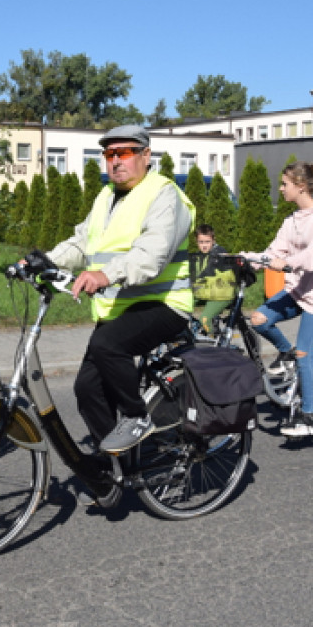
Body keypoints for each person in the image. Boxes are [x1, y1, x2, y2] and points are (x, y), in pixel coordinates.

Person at [43, 124, 195, 456]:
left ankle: (137, 417)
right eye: (109, 154)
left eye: (124, 153)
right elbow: (82, 242)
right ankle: (116, 467)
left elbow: (151, 256)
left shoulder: (165, 195)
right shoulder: (107, 197)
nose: (115, 161)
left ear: (145, 155)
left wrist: (105, 275)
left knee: (107, 344)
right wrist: (44, 262)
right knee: (86, 389)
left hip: (164, 303)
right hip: (122, 307)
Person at [241, 162, 313, 438]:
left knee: (305, 354)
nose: (281, 188)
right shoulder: (291, 220)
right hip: (299, 290)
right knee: (259, 319)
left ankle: (310, 417)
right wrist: (250, 258)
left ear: (300, 186)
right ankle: (286, 353)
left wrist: (283, 264)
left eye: (284, 184)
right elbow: (274, 251)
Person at [190, 223, 236, 334]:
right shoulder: (199, 256)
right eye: (201, 242)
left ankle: (211, 346)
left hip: (221, 294)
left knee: (204, 319)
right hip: (206, 292)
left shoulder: (219, 253)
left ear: (213, 240)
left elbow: (206, 273)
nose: (204, 245)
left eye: (207, 242)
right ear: (196, 242)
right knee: (179, 306)